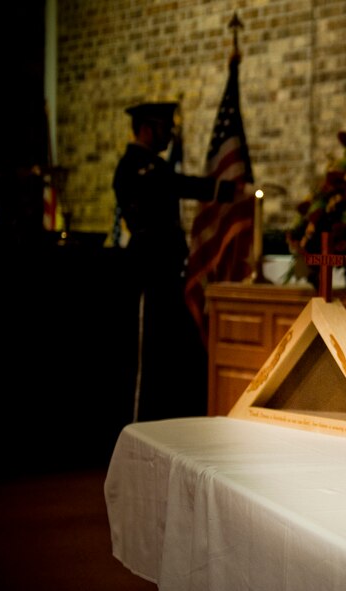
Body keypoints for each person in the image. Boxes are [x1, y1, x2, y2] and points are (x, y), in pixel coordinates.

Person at [113, 101, 237, 422]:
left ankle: (162, 415)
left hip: (166, 267)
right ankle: (138, 420)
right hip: (147, 267)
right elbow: (175, 184)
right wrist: (223, 188)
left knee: (167, 348)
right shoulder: (134, 166)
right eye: (164, 128)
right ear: (146, 128)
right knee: (146, 350)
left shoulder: (154, 166)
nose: (169, 135)